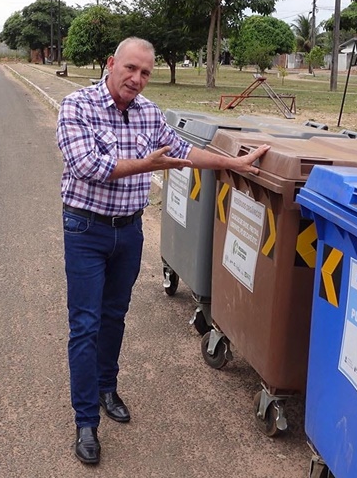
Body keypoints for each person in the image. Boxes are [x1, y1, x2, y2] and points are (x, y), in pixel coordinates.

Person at [56, 37, 269, 464]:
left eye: (145, 73)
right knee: (85, 324)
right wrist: (148, 165)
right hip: (86, 230)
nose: (137, 79)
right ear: (111, 63)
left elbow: (184, 151)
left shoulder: (149, 113)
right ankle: (86, 421)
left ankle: (107, 387)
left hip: (129, 232)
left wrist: (232, 164)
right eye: (130, 68)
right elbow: (87, 167)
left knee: (114, 316)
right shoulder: (77, 106)